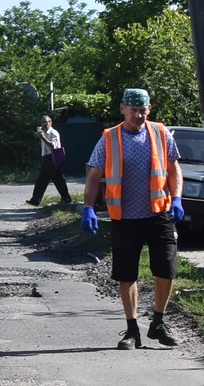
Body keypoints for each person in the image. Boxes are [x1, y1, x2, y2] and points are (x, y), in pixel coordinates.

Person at [80, 88, 186, 350]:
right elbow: (94, 176)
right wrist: (88, 208)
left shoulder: (161, 134)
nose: (138, 115)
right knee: (127, 275)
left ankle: (158, 323)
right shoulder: (109, 139)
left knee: (167, 270)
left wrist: (177, 198)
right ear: (122, 109)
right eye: (133, 109)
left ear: (148, 109)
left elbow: (174, 170)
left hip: (159, 214)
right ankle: (132, 331)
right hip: (125, 218)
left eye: (142, 110)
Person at [28, 115, 72, 206]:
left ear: (50, 122)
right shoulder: (43, 133)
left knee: (58, 179)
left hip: (52, 157)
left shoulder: (53, 133)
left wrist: (43, 137)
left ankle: (66, 198)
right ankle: (35, 200)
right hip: (45, 158)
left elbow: (53, 146)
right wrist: (41, 136)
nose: (45, 124)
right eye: (43, 122)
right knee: (41, 180)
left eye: (47, 122)